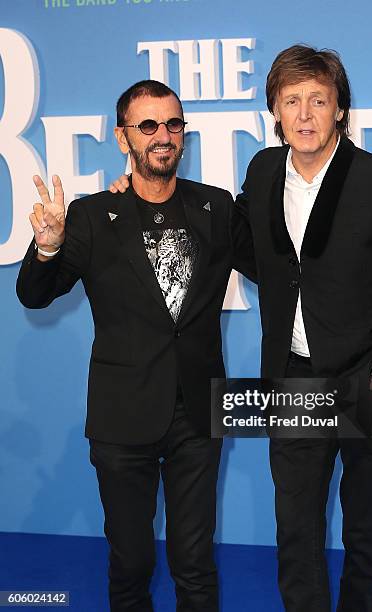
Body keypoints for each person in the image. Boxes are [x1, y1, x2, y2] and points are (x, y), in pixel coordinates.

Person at [232, 44, 372, 611]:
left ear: (340, 111)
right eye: (291, 101)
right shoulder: (260, 170)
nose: (304, 115)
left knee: (364, 527)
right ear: (274, 112)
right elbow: (251, 250)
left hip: (368, 377)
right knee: (295, 530)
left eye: (318, 101)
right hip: (294, 378)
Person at [16, 80, 239, 612]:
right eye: (148, 126)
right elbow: (34, 294)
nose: (163, 136)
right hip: (122, 419)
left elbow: (275, 268)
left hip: (197, 414)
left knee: (195, 561)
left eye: (173, 124)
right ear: (123, 138)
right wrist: (47, 249)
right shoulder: (93, 217)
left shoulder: (216, 207)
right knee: (132, 562)